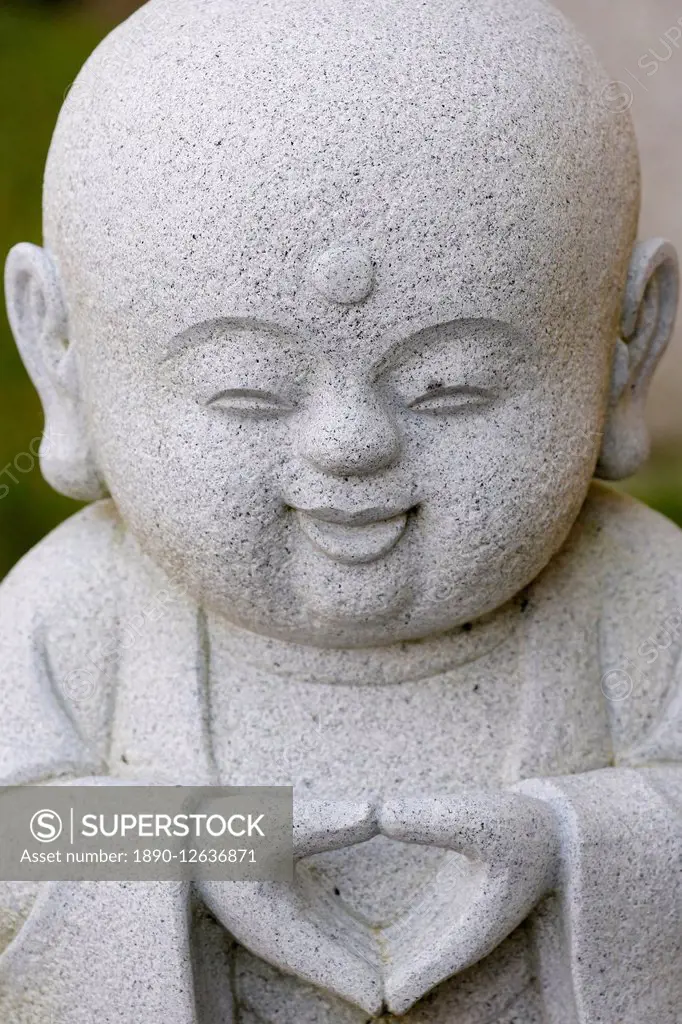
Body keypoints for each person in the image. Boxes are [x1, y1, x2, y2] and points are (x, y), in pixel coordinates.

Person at [2, 0, 680, 1020]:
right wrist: (211, 849)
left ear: (627, 342)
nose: (351, 443)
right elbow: (18, 836)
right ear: (63, 353)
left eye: (450, 385)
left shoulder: (639, 593)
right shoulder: (75, 609)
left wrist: (564, 844)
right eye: (246, 389)